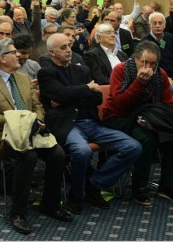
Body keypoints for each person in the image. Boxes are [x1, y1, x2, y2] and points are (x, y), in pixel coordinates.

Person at [0, 38, 72, 235]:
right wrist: (22, 120)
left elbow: (37, 106)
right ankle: (18, 212)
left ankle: (50, 204)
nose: (18, 54)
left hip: (31, 131)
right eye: (13, 52)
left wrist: (36, 119)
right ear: (2, 58)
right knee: (27, 156)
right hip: (1, 135)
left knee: (58, 154)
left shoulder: (23, 78)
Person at [38, 33, 141, 214]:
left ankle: (94, 184)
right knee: (82, 151)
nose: (69, 50)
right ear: (52, 52)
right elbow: (62, 94)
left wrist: (69, 97)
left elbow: (96, 97)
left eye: (69, 46)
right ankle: (76, 195)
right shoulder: (46, 73)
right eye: (63, 48)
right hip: (67, 124)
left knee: (132, 147)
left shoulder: (82, 70)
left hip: (91, 121)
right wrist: (85, 89)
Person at [102, 40, 173, 206]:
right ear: (135, 59)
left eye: (152, 63)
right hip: (119, 117)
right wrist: (139, 83)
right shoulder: (120, 70)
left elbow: (166, 103)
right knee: (147, 139)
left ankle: (168, 186)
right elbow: (120, 103)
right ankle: (139, 188)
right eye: (144, 62)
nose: (148, 67)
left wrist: (165, 122)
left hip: (149, 116)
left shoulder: (160, 74)